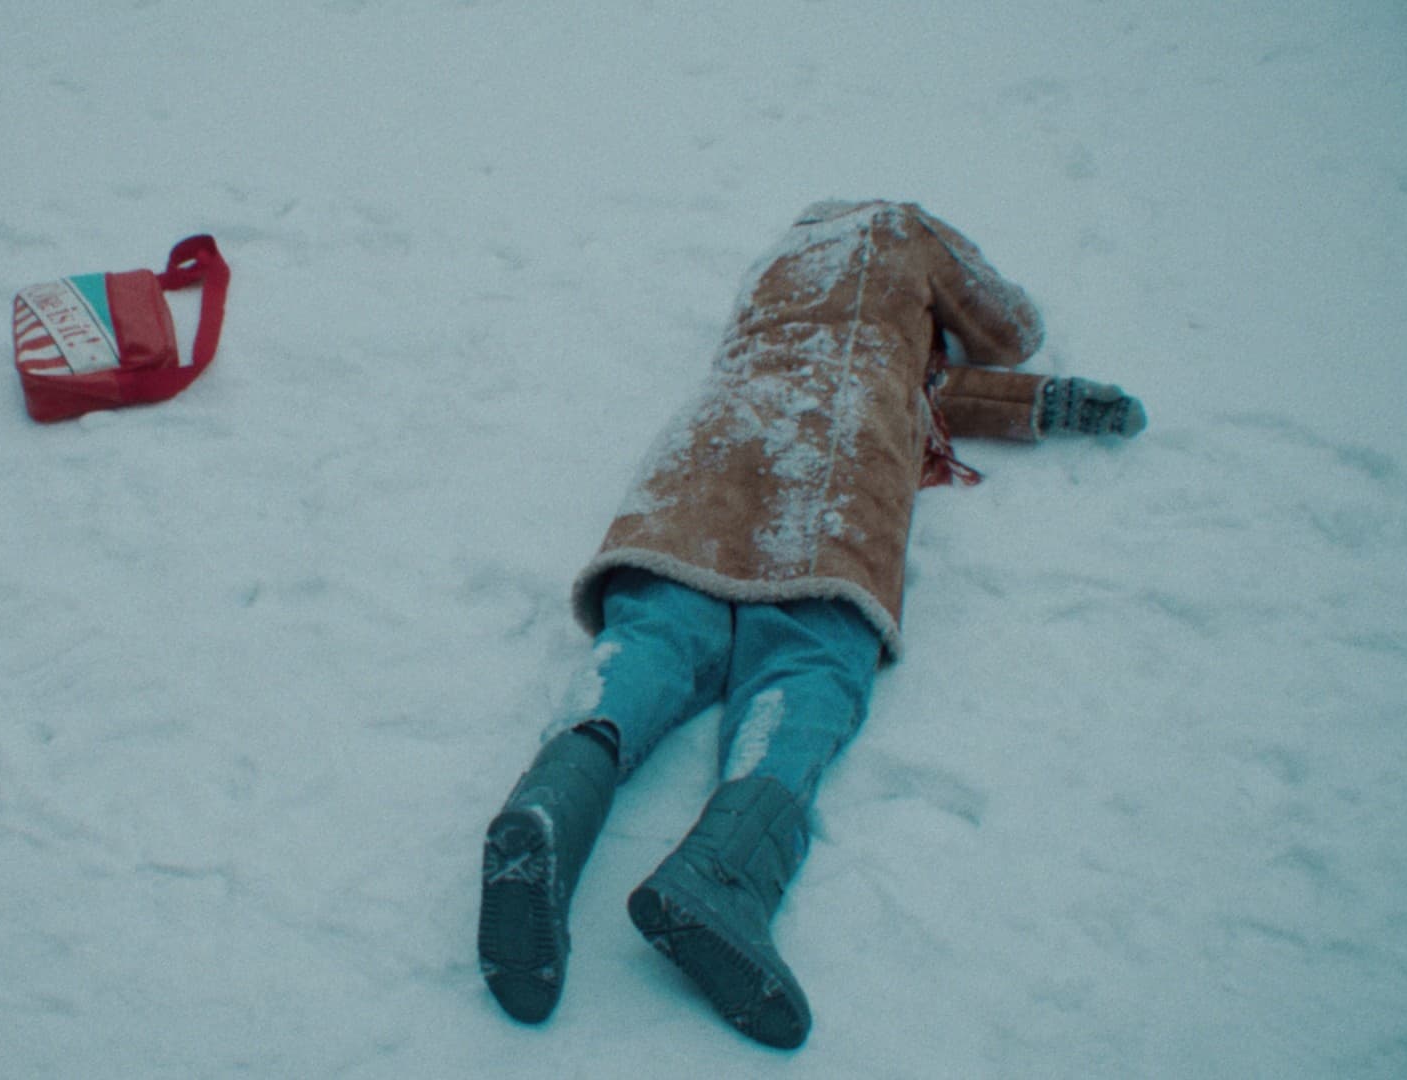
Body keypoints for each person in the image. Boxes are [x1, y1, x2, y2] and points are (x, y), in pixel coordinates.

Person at [476, 199, 1146, 1050]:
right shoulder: (902, 227)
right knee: (807, 663)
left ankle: (547, 811)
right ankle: (725, 872)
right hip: (833, 454)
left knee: (654, 638)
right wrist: (1029, 366)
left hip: (709, 444)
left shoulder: (774, 269)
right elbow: (1006, 334)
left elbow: (918, 385)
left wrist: (1047, 405)